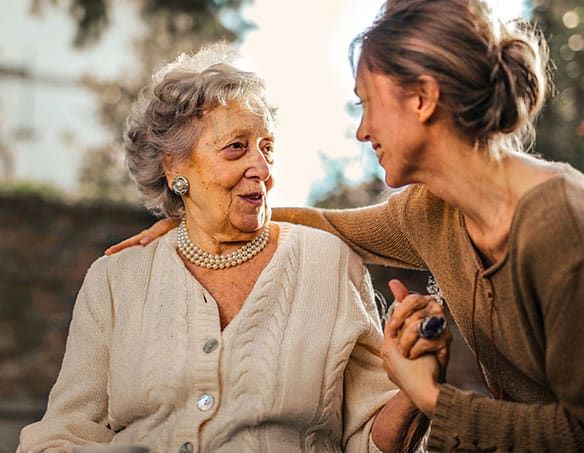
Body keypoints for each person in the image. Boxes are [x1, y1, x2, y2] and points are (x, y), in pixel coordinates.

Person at [109, 0, 584, 451]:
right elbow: (331, 226)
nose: (362, 131)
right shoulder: (431, 213)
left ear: (422, 98)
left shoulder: (559, 223)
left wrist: (430, 397)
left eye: (367, 103)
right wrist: (201, 217)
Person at [18, 44, 447, 453]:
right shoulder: (116, 279)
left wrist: (414, 390)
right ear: (174, 167)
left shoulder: (330, 264)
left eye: (268, 149)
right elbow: (64, 433)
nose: (261, 169)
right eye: (236, 148)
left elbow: (372, 441)